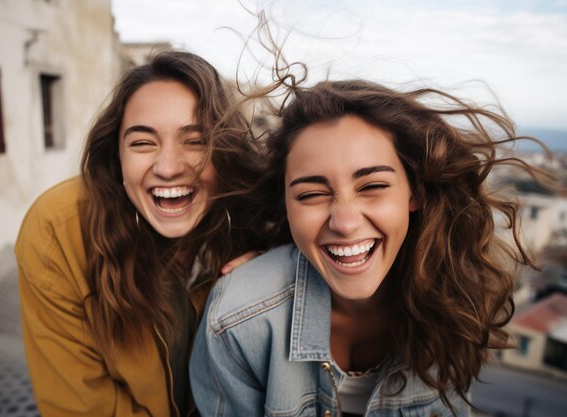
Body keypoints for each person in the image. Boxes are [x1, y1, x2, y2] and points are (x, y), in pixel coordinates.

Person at [190, 79, 551, 416]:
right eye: (311, 195)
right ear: (286, 205)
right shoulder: (239, 321)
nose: (345, 223)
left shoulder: (457, 302)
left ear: (414, 193)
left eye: (372, 186)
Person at [15, 51, 268, 417]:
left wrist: (275, 276)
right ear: (116, 154)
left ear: (226, 151)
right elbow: (82, 407)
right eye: (142, 142)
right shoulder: (58, 231)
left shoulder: (263, 225)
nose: (167, 167)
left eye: (196, 141)